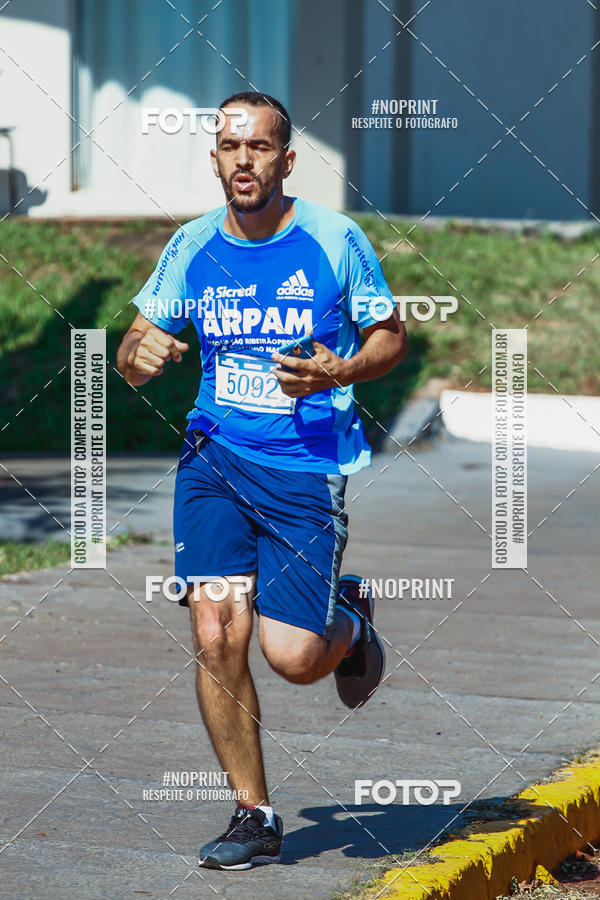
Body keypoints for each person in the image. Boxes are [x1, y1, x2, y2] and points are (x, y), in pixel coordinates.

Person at [117, 91, 408, 871]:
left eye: (260, 146)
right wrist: (135, 358)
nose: (243, 160)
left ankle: (350, 622)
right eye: (229, 146)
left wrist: (343, 368)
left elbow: (390, 335)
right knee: (215, 632)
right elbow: (137, 343)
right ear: (214, 158)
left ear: (285, 159)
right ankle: (254, 813)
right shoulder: (192, 246)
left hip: (306, 470)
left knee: (293, 658)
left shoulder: (333, 240)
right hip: (214, 458)